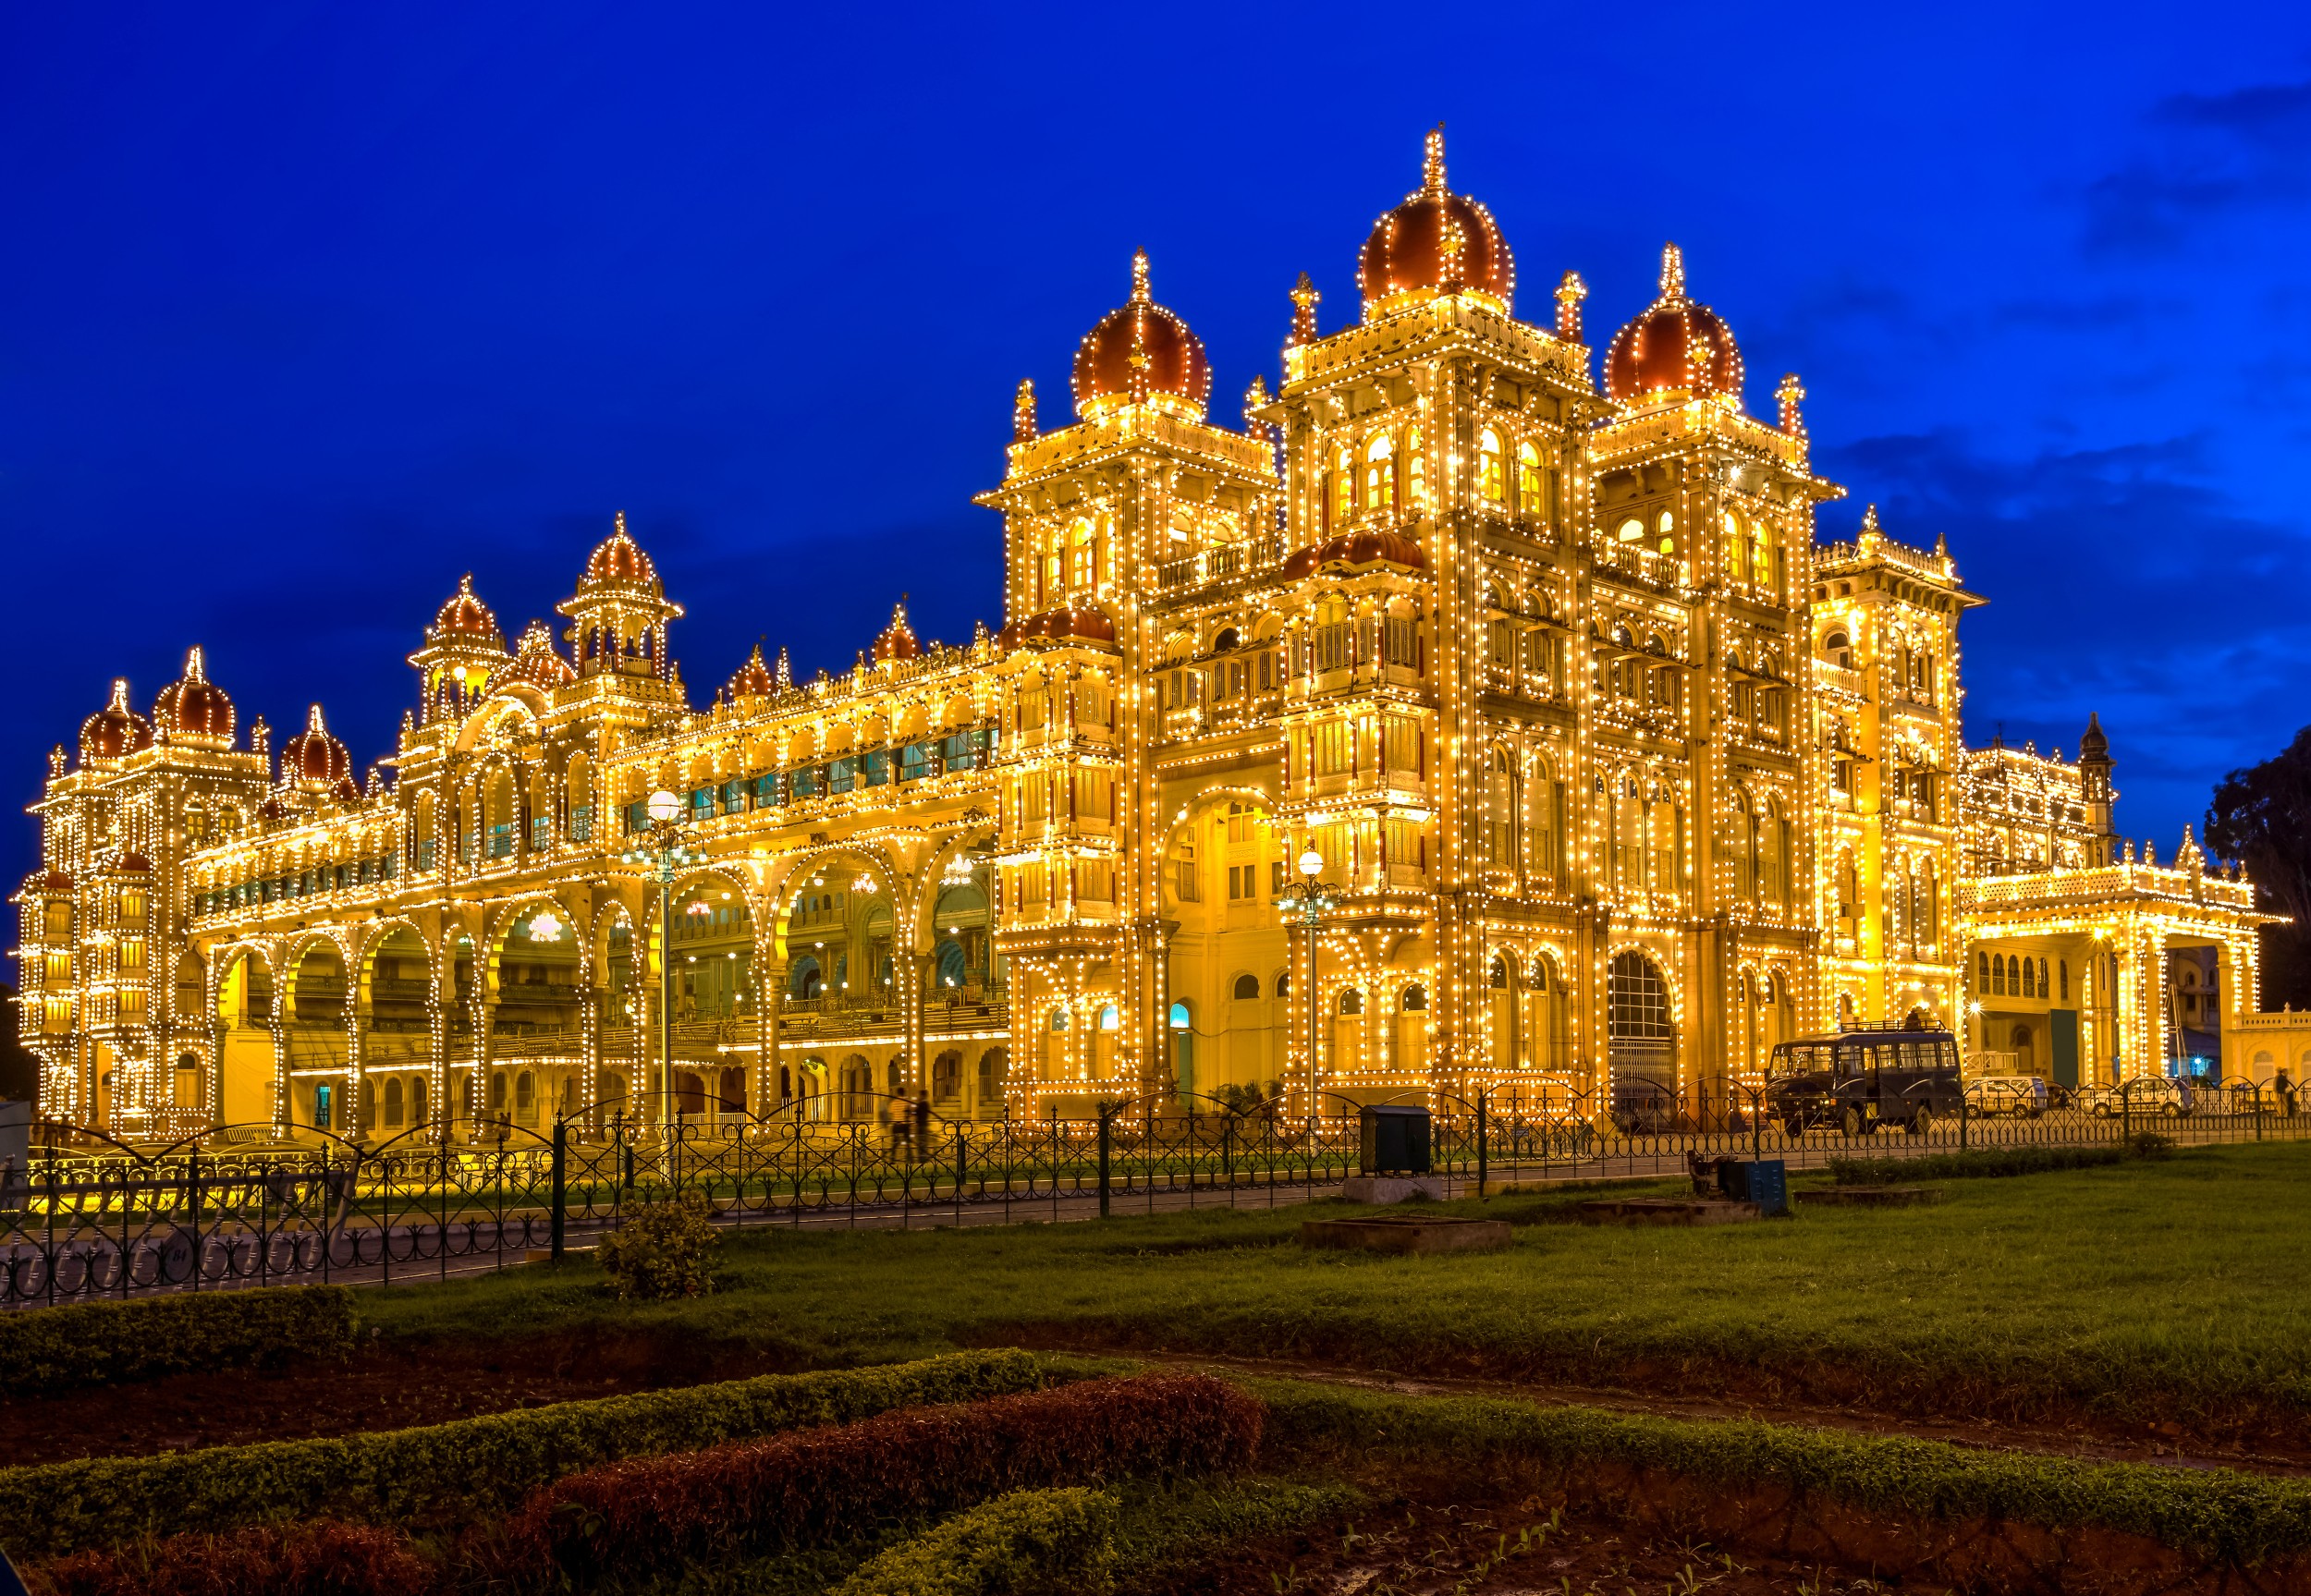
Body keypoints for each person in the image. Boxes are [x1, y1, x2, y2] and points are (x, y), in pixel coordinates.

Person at [911, 1088, 932, 1159]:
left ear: (922, 1095)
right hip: (924, 1124)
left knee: (921, 1141)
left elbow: (915, 1112)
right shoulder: (926, 1103)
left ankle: (922, 1156)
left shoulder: (921, 1104)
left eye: (920, 1095)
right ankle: (924, 1155)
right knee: (924, 1140)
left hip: (920, 1125)